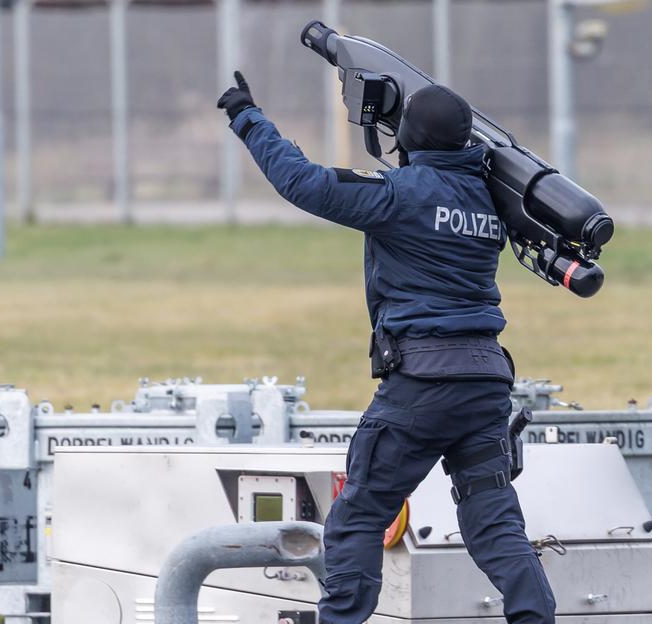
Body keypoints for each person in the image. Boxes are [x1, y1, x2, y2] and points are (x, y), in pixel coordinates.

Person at [218, 72, 556, 624]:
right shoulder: (490, 201)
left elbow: (303, 182)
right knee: (494, 523)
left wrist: (247, 118)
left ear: (410, 140)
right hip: (486, 384)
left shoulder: (403, 194)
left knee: (358, 514)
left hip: (422, 385)